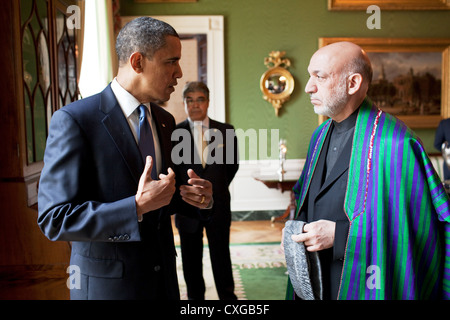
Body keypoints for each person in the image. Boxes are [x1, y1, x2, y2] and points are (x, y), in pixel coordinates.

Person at [37, 17, 213, 300]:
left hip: (164, 284)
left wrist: (196, 197)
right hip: (109, 289)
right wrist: (135, 206)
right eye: (171, 62)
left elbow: (164, 198)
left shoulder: (165, 121)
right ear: (137, 62)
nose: (179, 72)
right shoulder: (74, 120)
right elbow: (55, 219)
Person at [284, 41, 450, 300]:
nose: (308, 87)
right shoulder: (319, 135)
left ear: (353, 84)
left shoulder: (395, 144)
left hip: (366, 280)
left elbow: (416, 230)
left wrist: (340, 236)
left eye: (320, 76)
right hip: (317, 278)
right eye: (310, 74)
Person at [173, 81, 239, 300]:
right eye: (189, 100)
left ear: (208, 102)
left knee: (221, 255)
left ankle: (228, 298)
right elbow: (173, 169)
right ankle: (195, 301)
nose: (194, 105)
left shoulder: (225, 130)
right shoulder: (175, 133)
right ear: (184, 103)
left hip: (218, 205)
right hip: (186, 207)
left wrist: (215, 189)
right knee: (191, 259)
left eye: (199, 99)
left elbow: (232, 166)